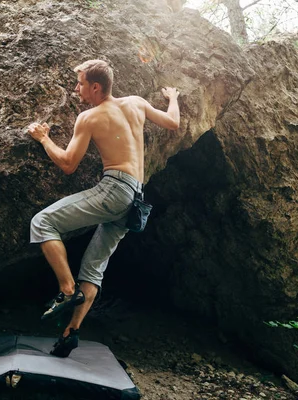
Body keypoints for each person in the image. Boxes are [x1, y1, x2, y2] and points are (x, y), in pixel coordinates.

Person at [27, 59, 180, 357]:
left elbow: (69, 164)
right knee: (94, 269)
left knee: (42, 222)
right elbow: (173, 122)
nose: (76, 89)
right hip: (135, 199)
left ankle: (67, 290)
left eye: (80, 84)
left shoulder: (90, 117)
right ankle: (71, 333)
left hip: (114, 190)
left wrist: (44, 138)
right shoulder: (136, 103)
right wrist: (173, 98)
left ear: (95, 87)